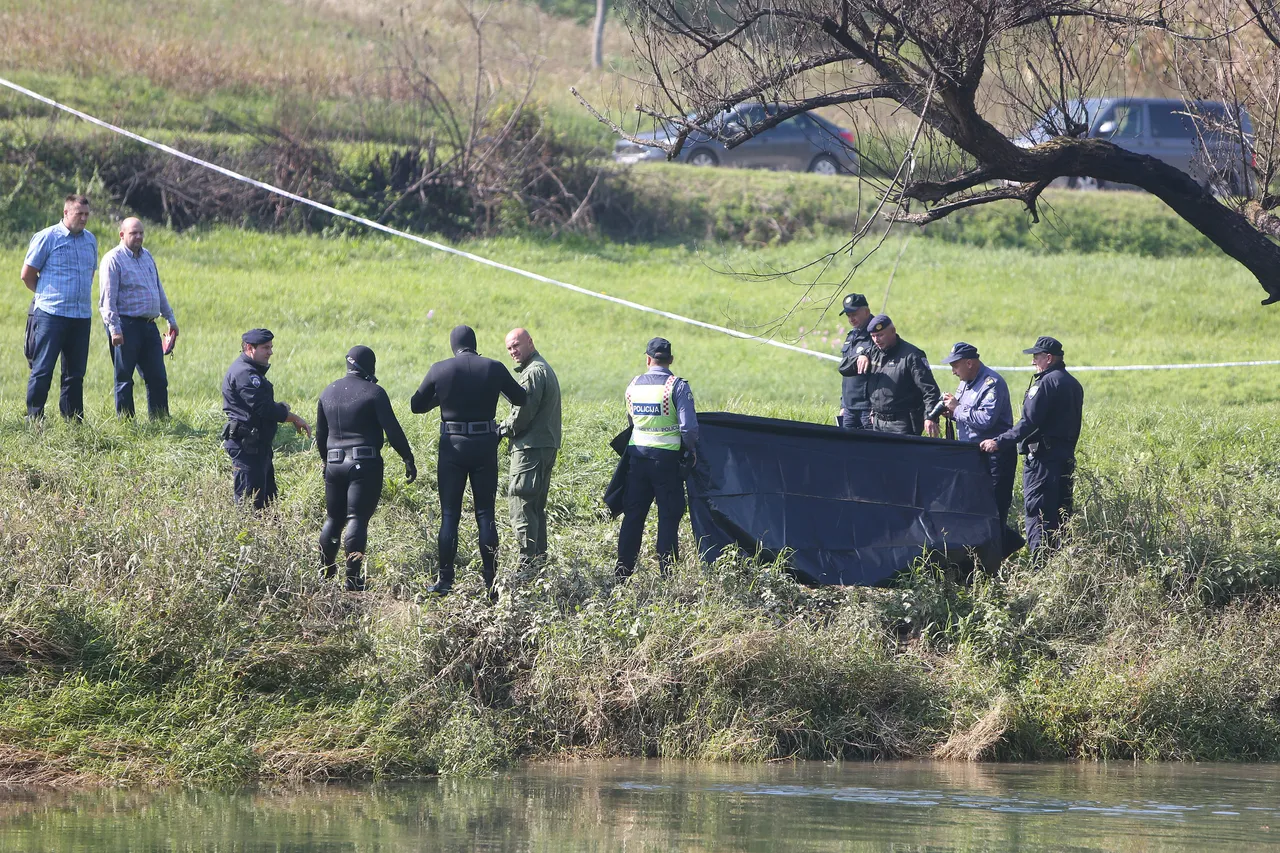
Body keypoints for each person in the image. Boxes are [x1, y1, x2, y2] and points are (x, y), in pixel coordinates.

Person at [411, 325, 527, 596]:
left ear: (453, 345)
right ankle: (491, 581)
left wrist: (443, 397)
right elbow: (520, 398)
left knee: (449, 515)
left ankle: (445, 580)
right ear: (475, 344)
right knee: (485, 513)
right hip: (485, 444)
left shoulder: (440, 369)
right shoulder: (494, 367)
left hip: (452, 445)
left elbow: (416, 405)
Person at [315, 346, 417, 592]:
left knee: (333, 518)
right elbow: (392, 430)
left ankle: (326, 572)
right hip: (364, 463)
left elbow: (321, 434)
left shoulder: (327, 392)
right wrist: (408, 457)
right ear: (369, 366)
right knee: (356, 519)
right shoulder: (374, 392)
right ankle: (352, 579)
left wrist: (325, 461)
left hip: (334, 462)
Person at [980, 336, 1084, 557]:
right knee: (1062, 514)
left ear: (1048, 358)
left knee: (1038, 515)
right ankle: (1062, 565)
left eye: (1036, 357)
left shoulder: (1045, 383)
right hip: (1065, 458)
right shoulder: (1073, 384)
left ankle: (1040, 566)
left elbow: (1028, 422)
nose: (1032, 362)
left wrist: (999, 441)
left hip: (1042, 461)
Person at [616, 336, 699, 578]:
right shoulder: (678, 386)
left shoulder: (633, 385)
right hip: (667, 462)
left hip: (636, 459)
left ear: (648, 359)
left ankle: (622, 574)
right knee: (668, 517)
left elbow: (631, 421)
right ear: (671, 360)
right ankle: (668, 576)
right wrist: (691, 451)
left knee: (633, 517)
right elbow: (689, 429)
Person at [22, 195, 98, 421]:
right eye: (79, 214)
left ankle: (73, 420)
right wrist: (47, 296)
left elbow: (90, 274)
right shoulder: (47, 237)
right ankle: (34, 418)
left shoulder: (91, 240)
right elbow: (26, 275)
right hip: (51, 315)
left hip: (81, 316)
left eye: (86, 214)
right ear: (66, 213)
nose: (83, 218)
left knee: (75, 374)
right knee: (43, 369)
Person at [221, 329, 311, 509]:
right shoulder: (245, 374)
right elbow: (263, 407)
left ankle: (269, 536)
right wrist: (292, 417)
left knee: (268, 504)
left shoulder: (250, 370)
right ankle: (249, 537)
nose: (270, 352)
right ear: (249, 348)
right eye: (265, 348)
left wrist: (281, 409)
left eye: (271, 347)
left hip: (257, 446)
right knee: (250, 506)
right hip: (247, 447)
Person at [98, 217, 178, 419]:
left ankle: (160, 420)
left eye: (141, 232)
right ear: (122, 234)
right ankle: (126, 423)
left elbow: (158, 290)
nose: (139, 236)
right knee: (124, 378)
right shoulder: (113, 259)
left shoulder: (147, 257)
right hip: (126, 325)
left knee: (158, 377)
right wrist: (114, 329)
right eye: (134, 233)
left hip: (149, 326)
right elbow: (108, 299)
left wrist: (170, 319)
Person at [498, 328, 562, 569]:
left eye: (516, 345)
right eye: (509, 348)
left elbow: (522, 414)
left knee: (522, 504)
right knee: (536, 507)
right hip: (544, 445)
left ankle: (526, 566)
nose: (513, 351)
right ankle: (539, 563)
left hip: (530, 449)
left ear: (530, 342)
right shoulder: (542, 368)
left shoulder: (533, 372)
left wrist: (501, 429)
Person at [940, 342, 1016, 529]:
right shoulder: (964, 384)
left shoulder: (992, 383)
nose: (953, 372)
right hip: (972, 455)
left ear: (969, 363)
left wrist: (957, 409)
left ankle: (998, 553)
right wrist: (951, 413)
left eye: (955, 366)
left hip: (994, 457)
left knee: (994, 510)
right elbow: (966, 414)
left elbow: (985, 420)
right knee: (973, 508)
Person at [865, 314, 941, 437]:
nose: (876, 340)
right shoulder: (875, 353)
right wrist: (862, 356)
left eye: (880, 335)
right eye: (873, 336)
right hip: (878, 422)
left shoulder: (912, 355)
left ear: (893, 331)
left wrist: (930, 417)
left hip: (902, 423)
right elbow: (845, 368)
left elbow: (930, 390)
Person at [836, 293, 874, 430]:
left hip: (868, 408)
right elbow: (847, 375)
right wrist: (843, 405)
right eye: (848, 315)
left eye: (855, 314)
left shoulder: (876, 333)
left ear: (866, 312)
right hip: (850, 408)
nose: (851, 319)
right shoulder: (851, 336)